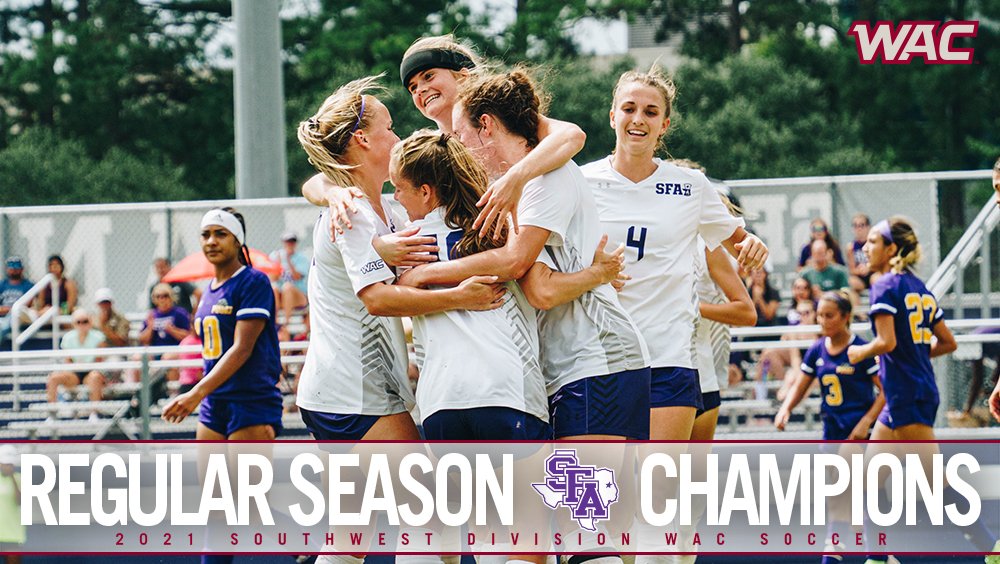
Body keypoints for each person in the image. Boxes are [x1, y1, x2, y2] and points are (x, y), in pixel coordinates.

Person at [579, 65, 768, 446]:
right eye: (629, 108)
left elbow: (739, 242)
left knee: (658, 499)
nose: (638, 119)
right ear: (612, 115)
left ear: (664, 124)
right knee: (604, 496)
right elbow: (551, 264)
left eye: (650, 112)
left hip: (668, 357)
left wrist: (754, 246)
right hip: (597, 356)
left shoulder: (691, 186)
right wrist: (591, 272)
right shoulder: (580, 182)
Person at [303, 34, 587, 244]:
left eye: (428, 76)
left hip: (539, 242)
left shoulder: (499, 119)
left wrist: (514, 180)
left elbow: (571, 135)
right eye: (413, 86)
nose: (421, 90)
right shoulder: (432, 147)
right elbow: (321, 179)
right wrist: (334, 193)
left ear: (462, 76)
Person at [842, 218, 996, 563]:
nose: (865, 248)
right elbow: (947, 342)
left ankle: (992, 548)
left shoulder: (883, 286)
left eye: (872, 242)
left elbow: (886, 341)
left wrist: (859, 351)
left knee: (936, 485)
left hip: (907, 394)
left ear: (891, 249)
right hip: (907, 392)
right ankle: (877, 558)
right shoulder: (918, 286)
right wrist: (910, 353)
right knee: (870, 480)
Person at [775, 292, 884, 564]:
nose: (822, 320)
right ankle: (873, 554)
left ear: (846, 317)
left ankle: (871, 554)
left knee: (860, 498)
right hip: (832, 433)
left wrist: (866, 422)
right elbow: (801, 384)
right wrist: (786, 408)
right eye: (819, 315)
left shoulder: (860, 349)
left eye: (829, 315)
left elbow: (885, 391)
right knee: (838, 499)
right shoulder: (817, 350)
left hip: (858, 436)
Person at [45, 308, 107, 421]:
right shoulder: (68, 338)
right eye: (79, 322)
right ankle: (53, 414)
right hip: (74, 373)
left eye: (85, 321)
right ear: (74, 324)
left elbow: (99, 362)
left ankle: (94, 414)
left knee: (95, 377)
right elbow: (68, 362)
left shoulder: (99, 337)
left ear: (90, 322)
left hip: (91, 372)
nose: (82, 324)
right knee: (53, 378)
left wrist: (84, 365)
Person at [270, 231, 310, 327]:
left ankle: (285, 324)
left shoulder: (302, 258)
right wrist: (278, 265)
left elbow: (297, 277)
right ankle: (274, 323)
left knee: (287, 287)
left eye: (292, 241)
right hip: (281, 299)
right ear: (283, 243)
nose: (290, 244)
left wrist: (288, 260)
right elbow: (272, 278)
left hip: (299, 297)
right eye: (288, 241)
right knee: (274, 287)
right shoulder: (275, 256)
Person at [0, 256, 33, 343]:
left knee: (10, 318)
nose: (14, 270)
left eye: (16, 267)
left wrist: (8, 309)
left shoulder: (28, 285)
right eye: (11, 267)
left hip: (17, 315)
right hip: (2, 315)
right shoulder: (2, 285)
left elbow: (26, 305)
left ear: (21, 269)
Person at [0, 444, 23, 563]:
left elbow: (20, 502)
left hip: (12, 535)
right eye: (5, 463)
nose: (7, 466)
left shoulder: (20, 479)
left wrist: (12, 478)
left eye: (10, 464)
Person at [846, 213, 872, 291]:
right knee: (852, 282)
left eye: (862, 225)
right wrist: (860, 271)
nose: (859, 228)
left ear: (868, 227)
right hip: (860, 278)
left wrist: (868, 268)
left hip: (872, 274)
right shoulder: (850, 247)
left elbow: (879, 265)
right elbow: (852, 270)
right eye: (856, 226)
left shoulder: (873, 244)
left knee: (877, 279)